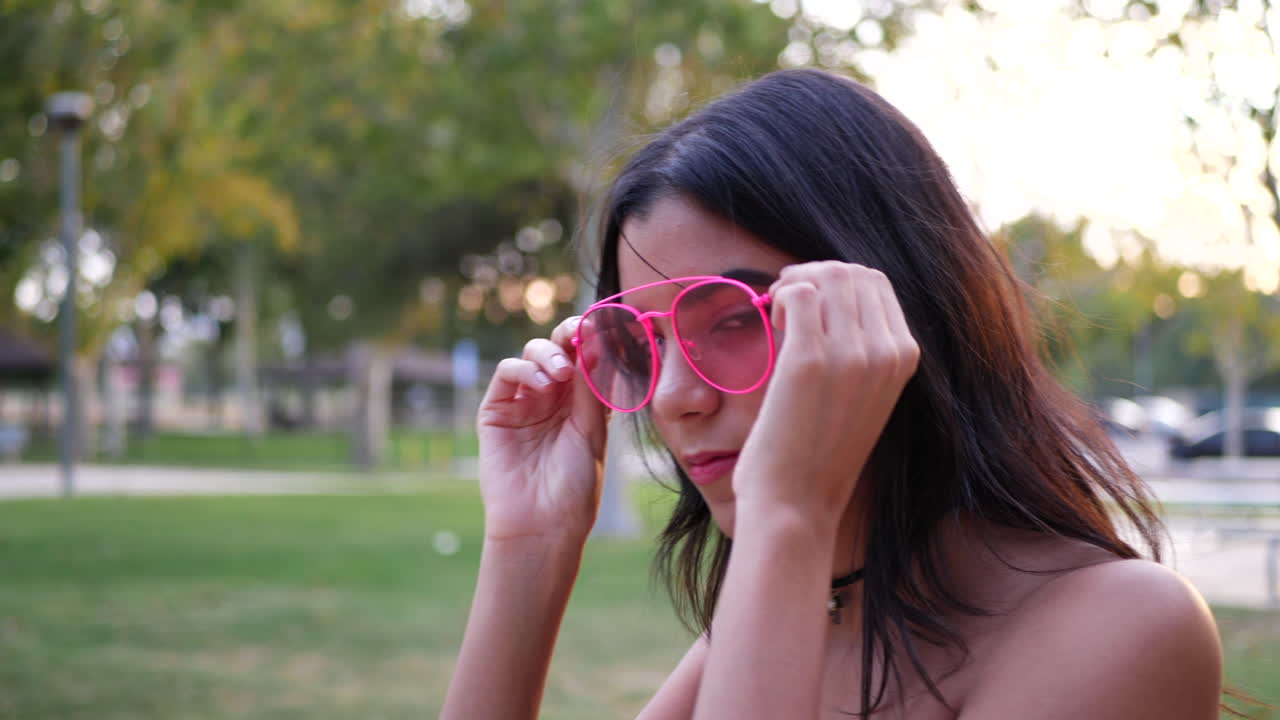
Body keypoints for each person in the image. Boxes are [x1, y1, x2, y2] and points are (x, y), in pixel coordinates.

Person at [440, 69, 1228, 719]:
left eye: (737, 318)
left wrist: (789, 512)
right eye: (645, 341)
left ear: (894, 310)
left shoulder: (1123, 627)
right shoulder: (796, 611)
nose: (676, 398)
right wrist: (529, 547)